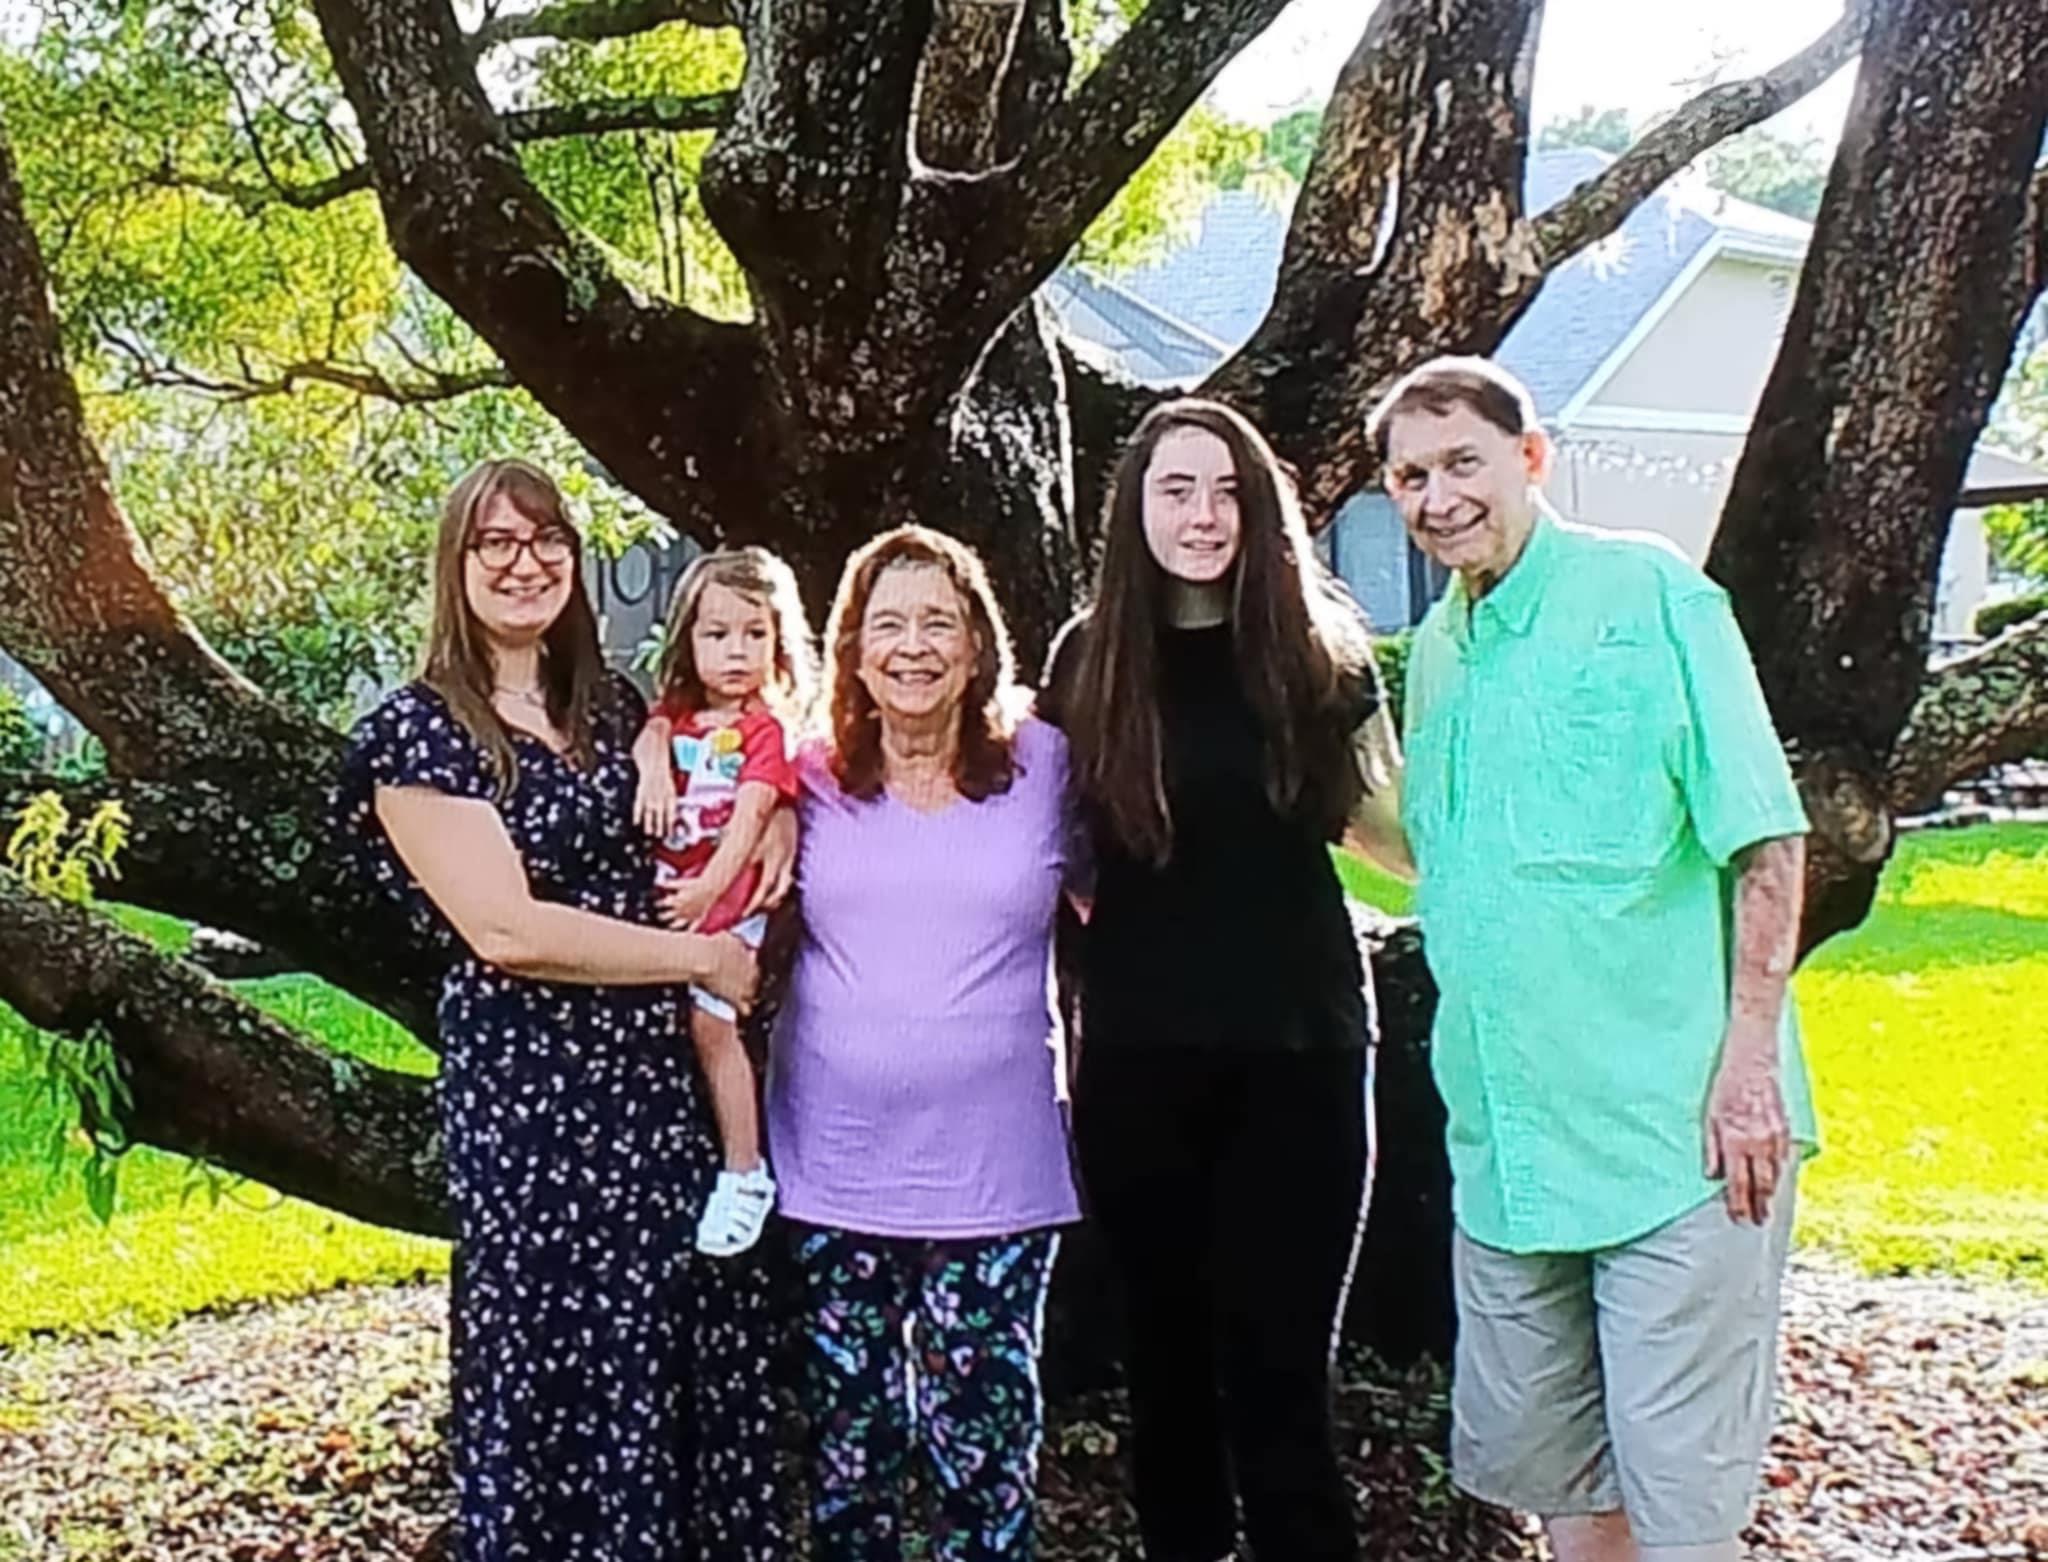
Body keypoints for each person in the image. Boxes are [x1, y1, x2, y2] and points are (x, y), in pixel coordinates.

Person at [1368, 355, 1815, 1562]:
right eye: (1409, 475)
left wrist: (1748, 1066)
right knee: (1562, 1480)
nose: (1435, 495)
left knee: (1681, 1494)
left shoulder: (1651, 596)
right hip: (1508, 1153)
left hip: (1675, 1138)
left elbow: (1767, 839)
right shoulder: (1439, 656)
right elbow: (1441, 858)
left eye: (1461, 460)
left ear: (1530, 455)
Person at [334, 458, 787, 1560]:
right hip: (535, 1112)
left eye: (547, 541)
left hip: (656, 1094)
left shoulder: (616, 705)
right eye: (496, 543)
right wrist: (703, 956)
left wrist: (768, 831)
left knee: (678, 1354)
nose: (525, 563)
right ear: (457, 565)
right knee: (560, 1374)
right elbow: (508, 929)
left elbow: (736, 767)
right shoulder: (418, 734)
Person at [1040, 398, 1411, 1562]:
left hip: (1298, 1053)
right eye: (1175, 491)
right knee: (1166, 1376)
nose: (1202, 516)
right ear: (1132, 508)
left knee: (1282, 1381)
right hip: (1140, 1057)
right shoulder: (1084, 655)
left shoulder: (1317, 650)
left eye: (1224, 492)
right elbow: (1046, 851)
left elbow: (1396, 836)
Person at [765, 524, 1084, 1560]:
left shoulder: (1046, 762)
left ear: (977, 644)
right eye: (886, 623)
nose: (912, 646)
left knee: (980, 1456)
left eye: (937, 622)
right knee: (850, 1453)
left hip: (996, 1174)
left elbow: (1127, 904)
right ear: (849, 649)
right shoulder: (802, 776)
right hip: (831, 1169)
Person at [632, 546, 811, 1257]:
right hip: (675, 901)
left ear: (779, 642)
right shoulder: (671, 722)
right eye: (717, 634)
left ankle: (744, 1169)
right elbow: (651, 737)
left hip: (729, 905)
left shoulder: (766, 733)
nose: (736, 652)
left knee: (713, 1030)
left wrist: (709, 892)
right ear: (687, 640)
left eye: (754, 634)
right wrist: (650, 757)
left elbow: (749, 821)